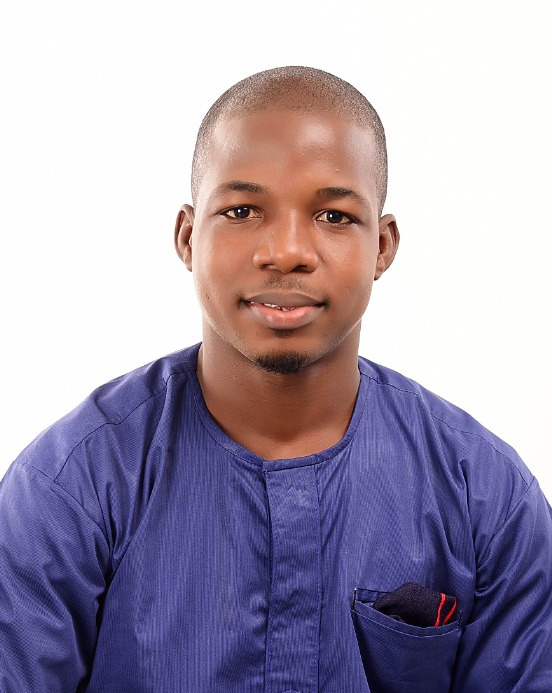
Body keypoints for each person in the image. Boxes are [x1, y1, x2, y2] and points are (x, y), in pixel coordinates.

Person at [0, 66, 550, 693]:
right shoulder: (70, 488)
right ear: (188, 237)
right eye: (242, 211)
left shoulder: (487, 498)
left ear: (383, 246)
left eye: (334, 216)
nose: (286, 251)